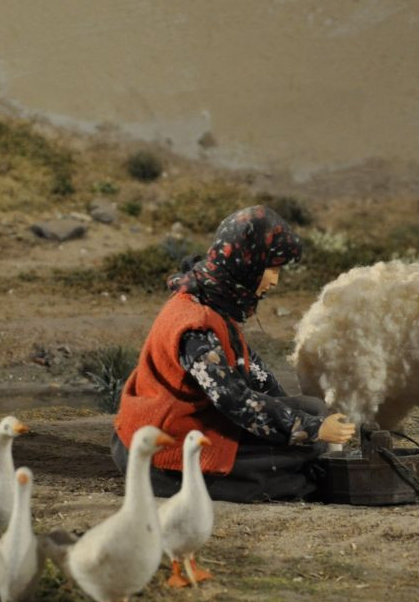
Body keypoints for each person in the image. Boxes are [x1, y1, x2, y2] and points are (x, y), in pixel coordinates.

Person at [112, 205, 355, 501]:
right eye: (272, 268)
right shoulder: (196, 327)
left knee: (311, 410)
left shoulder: (215, 300)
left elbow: (256, 374)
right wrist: (314, 429)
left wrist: (306, 418)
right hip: (161, 450)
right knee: (291, 470)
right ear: (247, 264)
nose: (275, 280)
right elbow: (234, 401)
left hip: (196, 420)